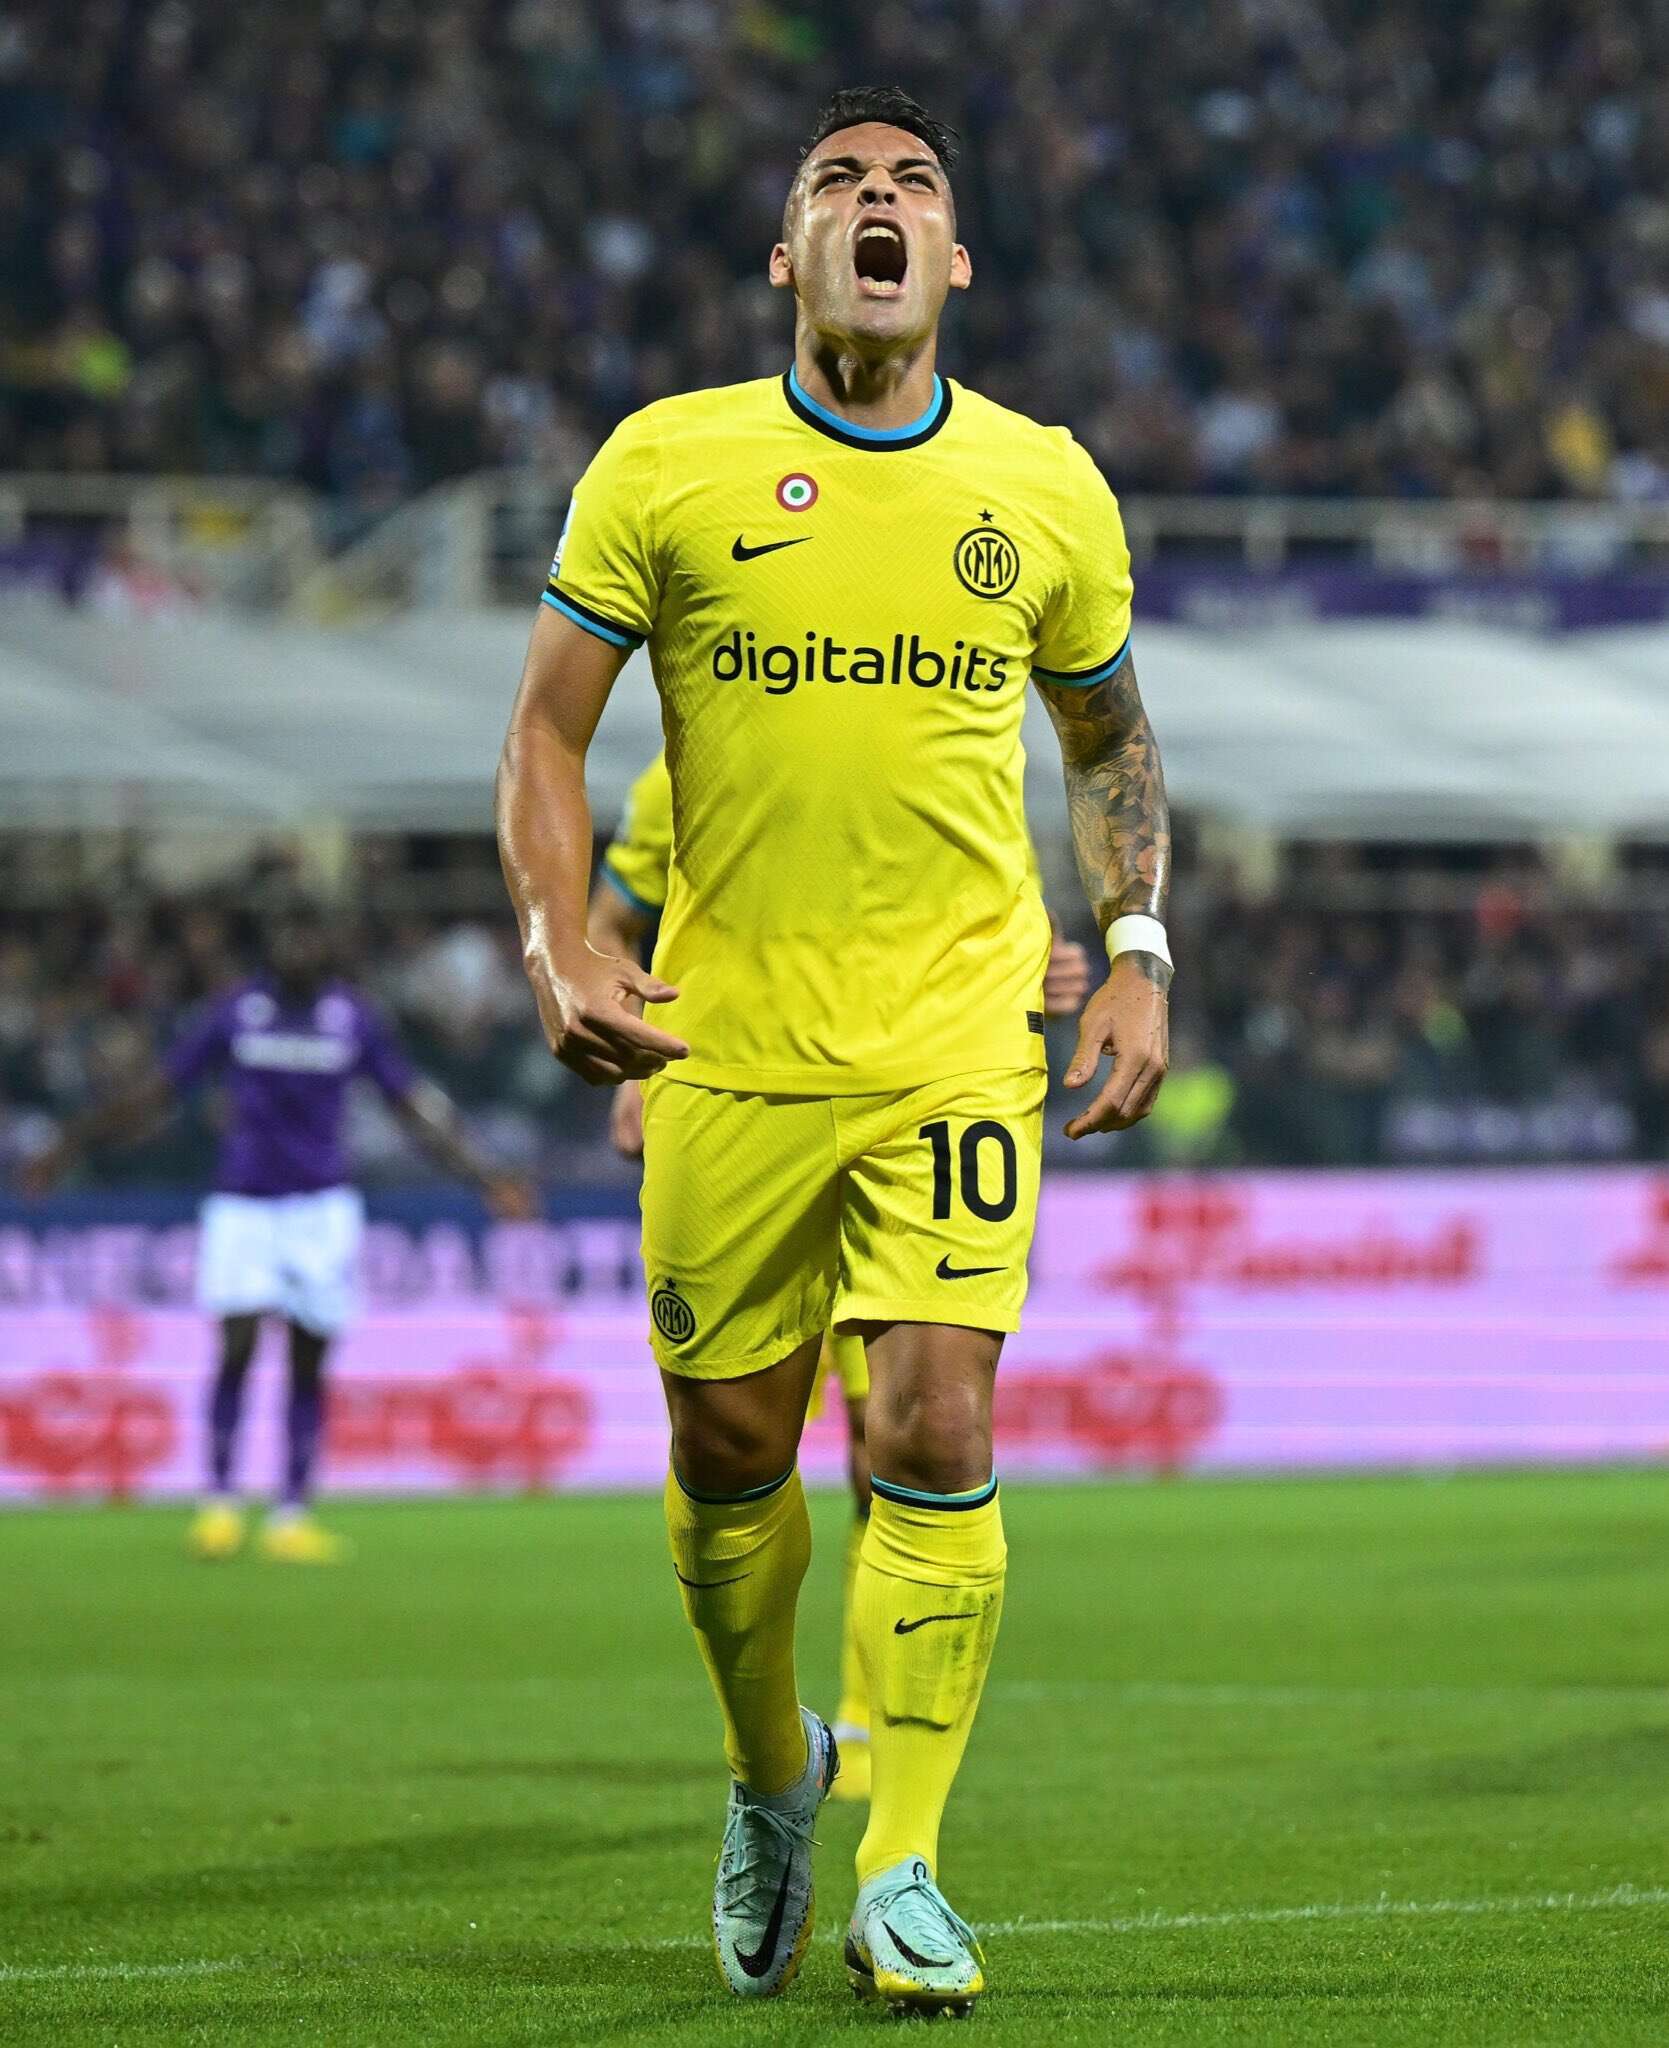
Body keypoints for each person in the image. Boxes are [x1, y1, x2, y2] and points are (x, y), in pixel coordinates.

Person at [497, 84, 1171, 2017]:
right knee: (727, 1446)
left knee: (932, 1423)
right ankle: (767, 1767)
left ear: (952, 259)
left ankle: (905, 1862)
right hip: (724, 1045)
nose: (875, 203)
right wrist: (562, 937)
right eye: (836, 183)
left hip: (955, 1039)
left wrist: (1134, 944)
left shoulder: (1043, 486)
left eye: (910, 186)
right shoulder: (665, 463)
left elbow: (1108, 739)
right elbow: (544, 731)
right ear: (783, 253)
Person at [587, 750, 1092, 1804]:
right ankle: (773, 1748)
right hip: (737, 1105)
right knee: (734, 1442)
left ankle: (865, 1729)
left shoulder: (936, 746)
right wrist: (630, 1046)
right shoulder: (678, 773)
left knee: (896, 1441)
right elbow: (608, 924)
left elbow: (982, 912)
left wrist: (1037, 971)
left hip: (905, 1109)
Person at [23, 903, 534, 1562]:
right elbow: (159, 1089)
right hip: (245, 1205)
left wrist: (485, 1174)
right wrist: (70, 1143)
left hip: (320, 1208)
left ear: (331, 946)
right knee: (235, 1350)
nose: (300, 946)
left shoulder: (350, 1017)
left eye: (311, 934)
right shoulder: (238, 1012)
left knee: (307, 1362)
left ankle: (291, 1513)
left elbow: (411, 1105)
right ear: (269, 944)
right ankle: (219, 1506)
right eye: (290, 933)